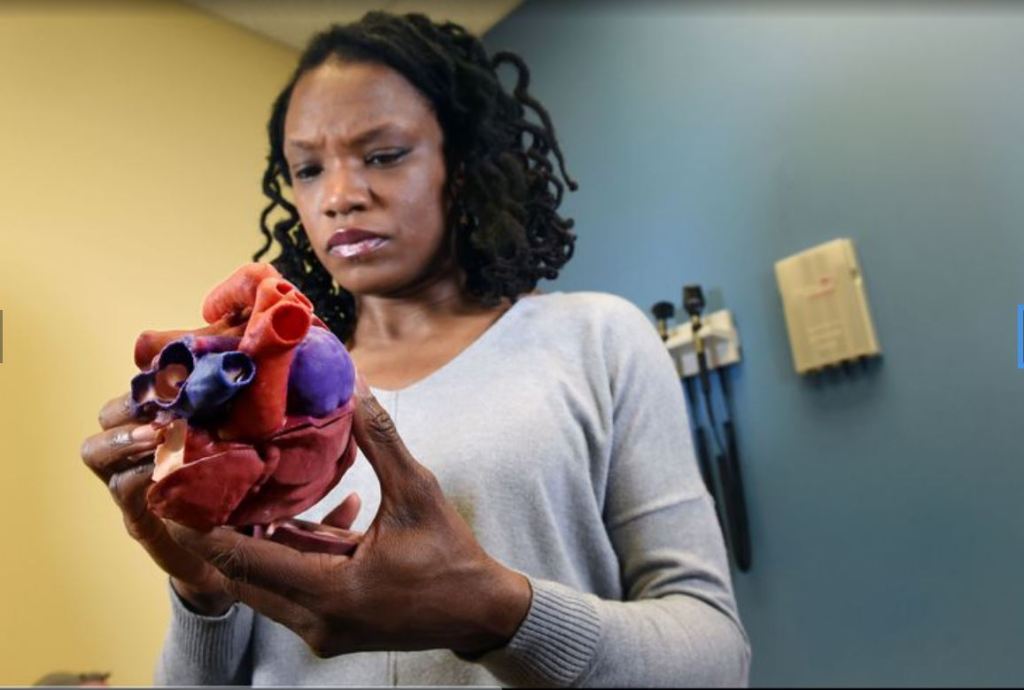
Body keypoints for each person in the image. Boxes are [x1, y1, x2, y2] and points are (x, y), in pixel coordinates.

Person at [80, 11, 751, 687]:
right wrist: (204, 592)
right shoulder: (260, 392)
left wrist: (494, 614)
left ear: (461, 165)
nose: (339, 197)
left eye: (383, 155)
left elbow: (717, 658)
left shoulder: (598, 340)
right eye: (308, 169)